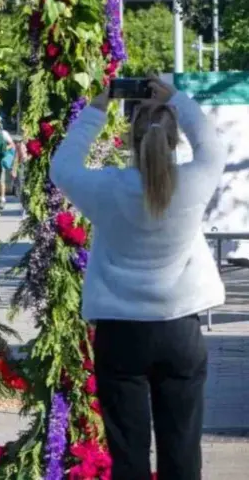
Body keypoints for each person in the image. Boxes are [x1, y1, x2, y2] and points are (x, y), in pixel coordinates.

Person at [49, 75, 226, 480]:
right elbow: (214, 148)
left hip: (120, 331)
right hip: (180, 328)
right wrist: (178, 100)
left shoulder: (106, 188)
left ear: (130, 140)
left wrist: (97, 107)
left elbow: (62, 167)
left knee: (127, 451)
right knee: (182, 449)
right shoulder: (192, 183)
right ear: (174, 139)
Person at [0, 117, 16, 203]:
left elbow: (12, 144)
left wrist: (4, 149)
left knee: (1, 179)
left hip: (0, 159)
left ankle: (2, 197)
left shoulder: (3, 133)